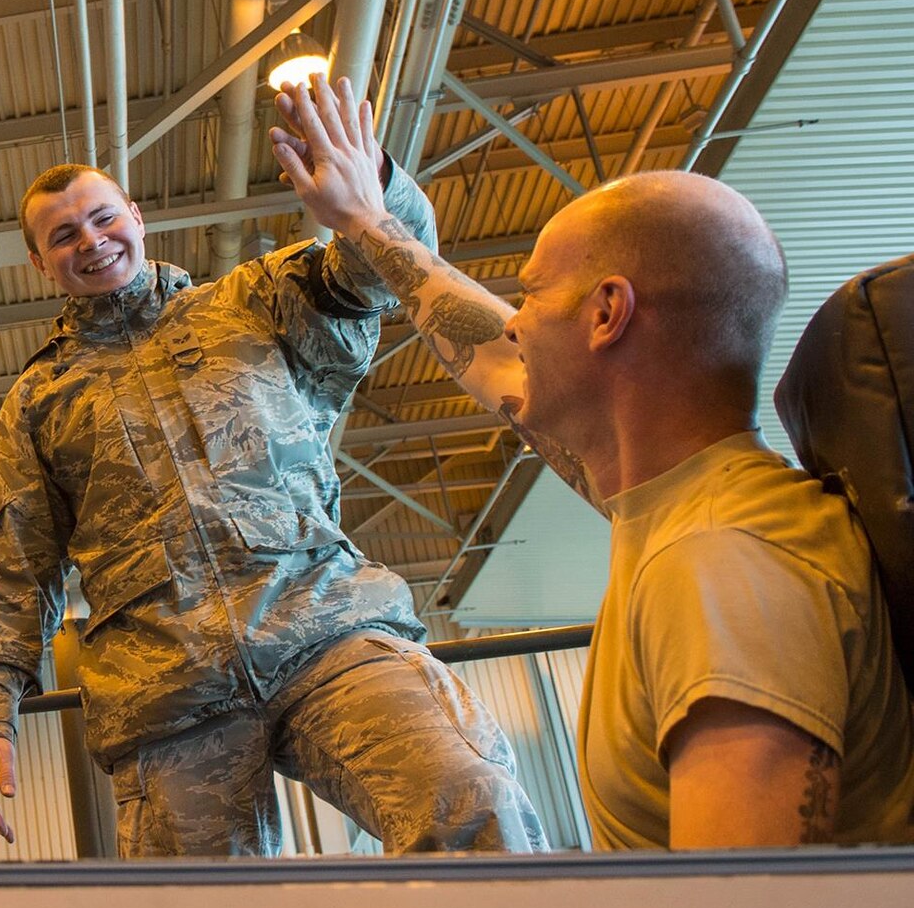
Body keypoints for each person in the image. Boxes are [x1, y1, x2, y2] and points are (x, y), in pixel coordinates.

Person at [273, 73, 914, 849]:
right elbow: (498, 362)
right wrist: (371, 222)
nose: (519, 326)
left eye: (534, 297)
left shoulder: (719, 564)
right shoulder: (686, 503)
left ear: (608, 314)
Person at [0, 151, 547, 858]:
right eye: (63, 234)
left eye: (103, 216)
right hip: (168, 694)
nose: (91, 240)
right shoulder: (38, 403)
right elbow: (9, 569)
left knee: (470, 798)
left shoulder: (255, 301)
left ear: (136, 217)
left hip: (324, 630)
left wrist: (371, 190)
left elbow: (376, 272)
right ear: (37, 262)